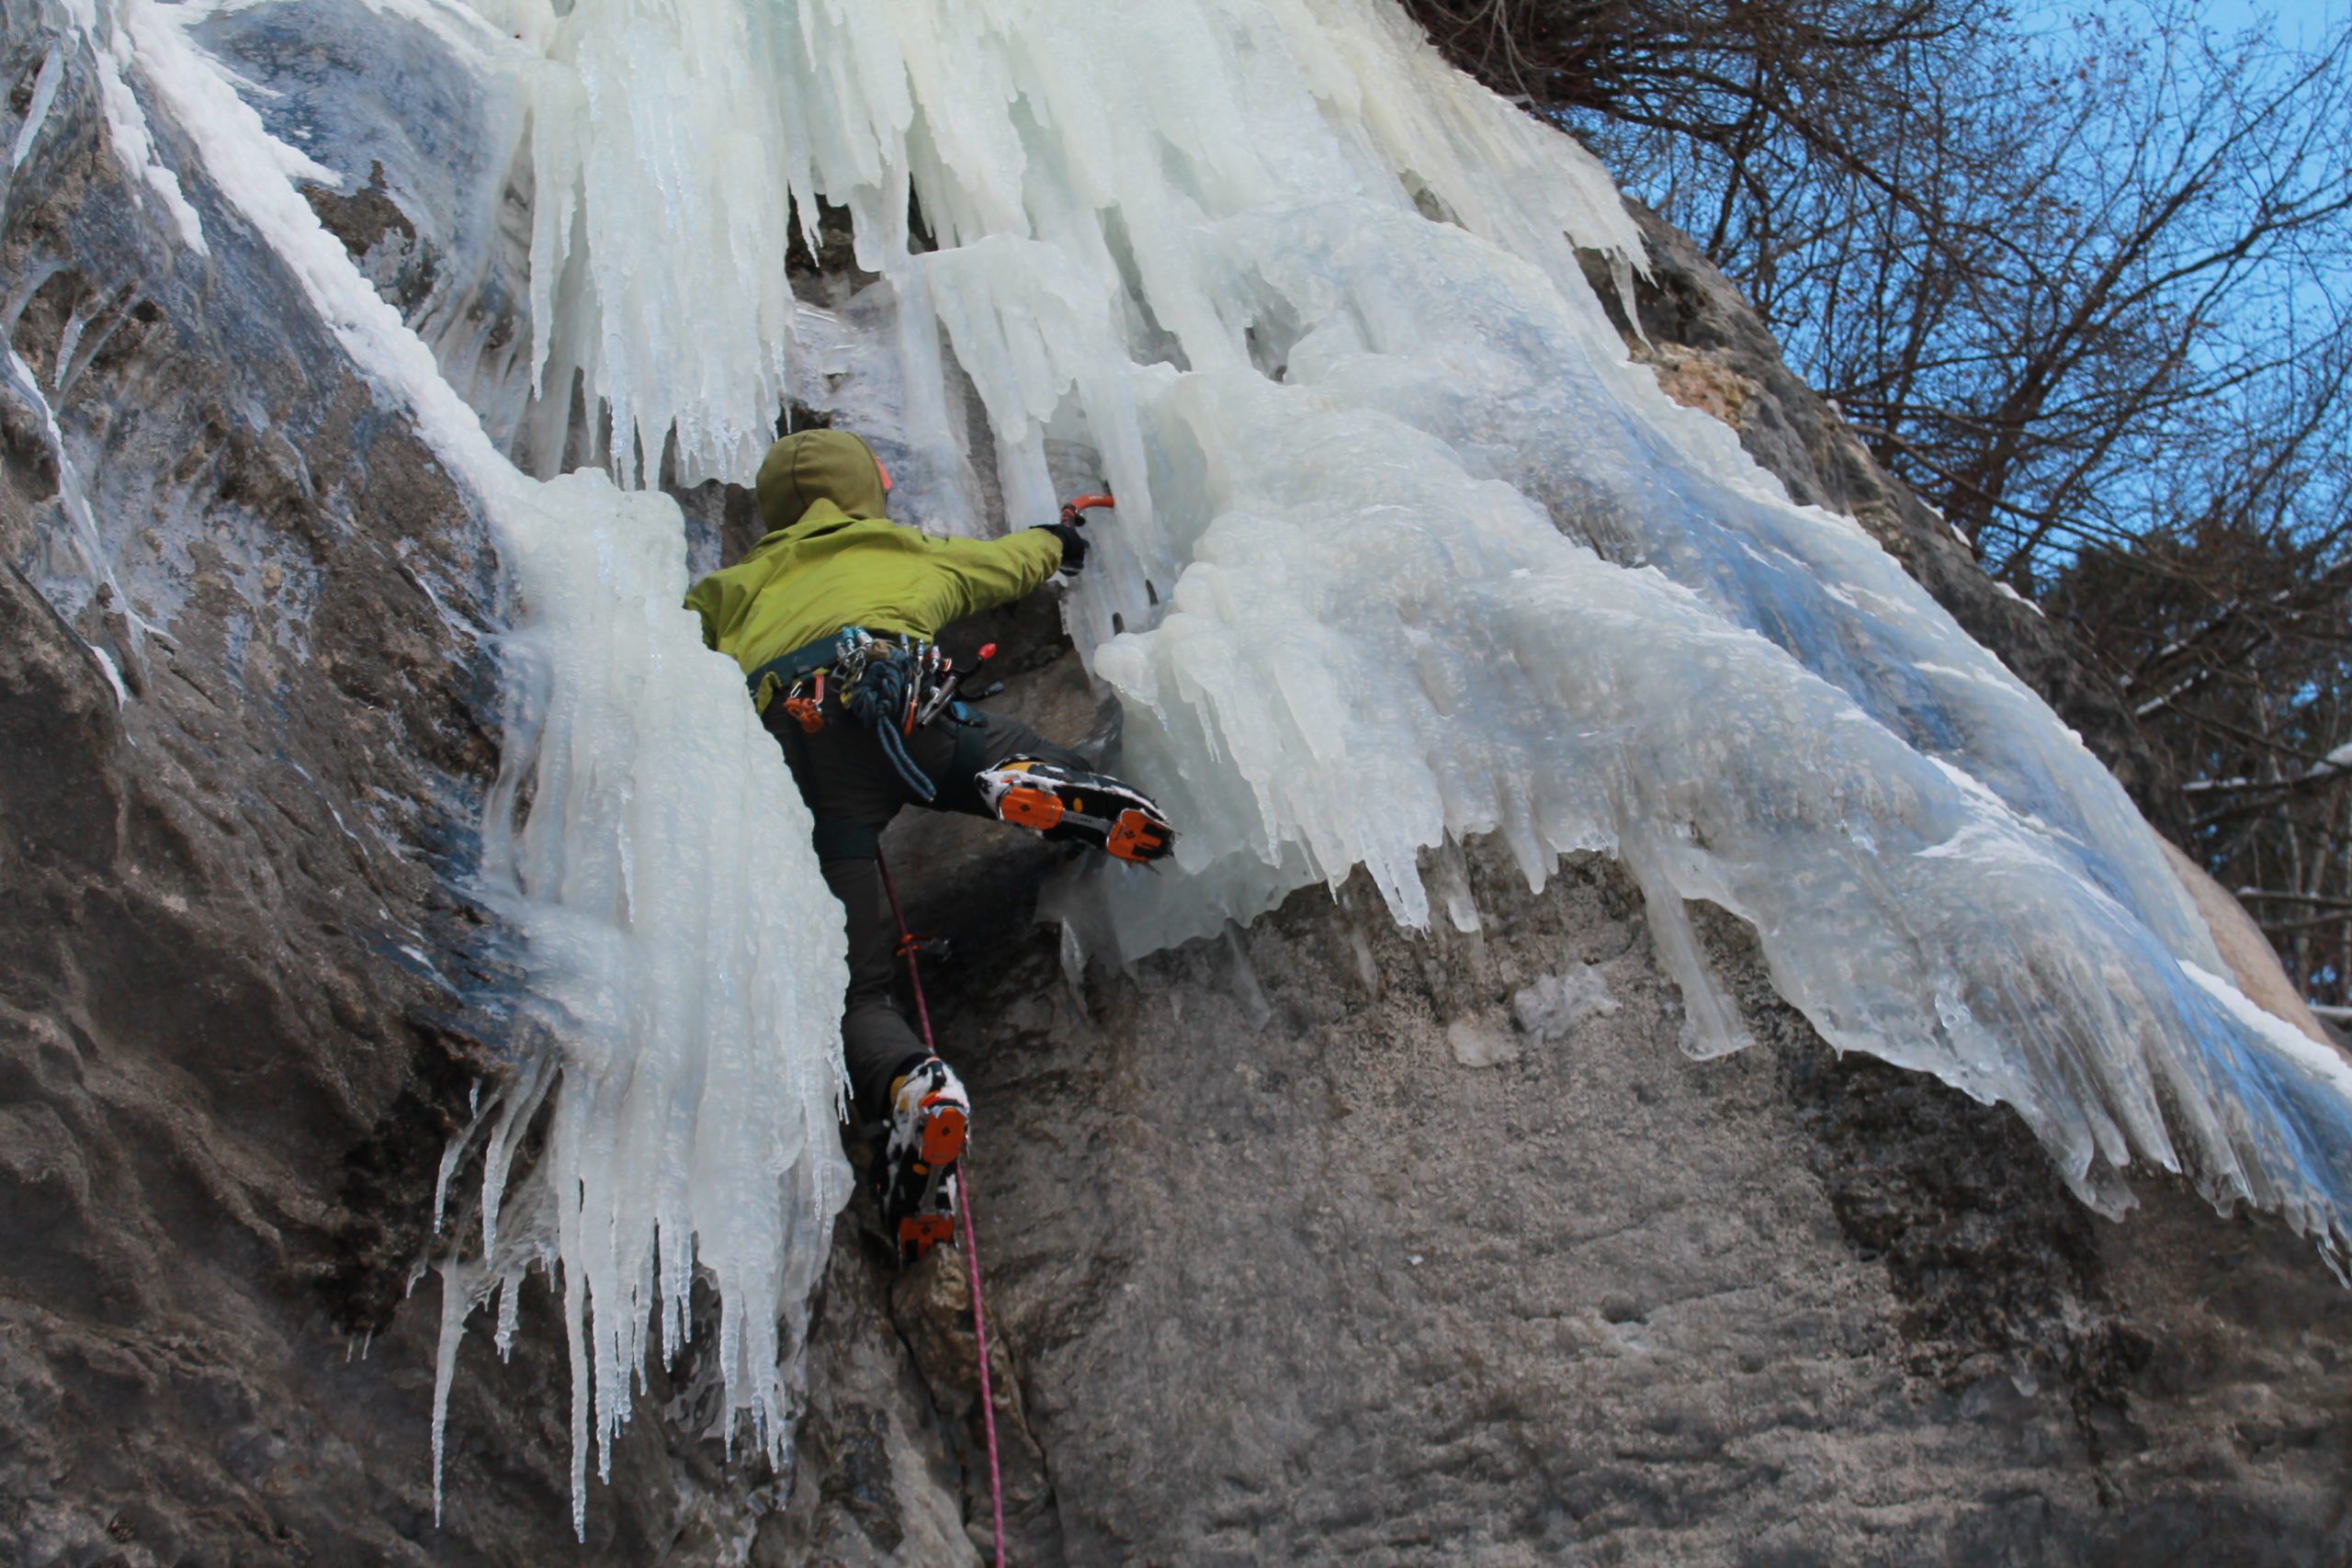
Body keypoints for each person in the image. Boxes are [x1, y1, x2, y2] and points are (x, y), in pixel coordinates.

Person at [687, 428, 1175, 1259]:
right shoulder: (899, 549)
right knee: (973, 745)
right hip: (892, 693)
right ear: (861, 493)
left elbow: (671, 652)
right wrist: (1056, 545)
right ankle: (1024, 782)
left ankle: (916, 1087)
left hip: (791, 756)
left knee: (857, 989)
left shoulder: (730, 588)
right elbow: (1003, 564)